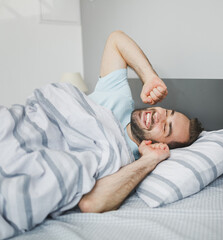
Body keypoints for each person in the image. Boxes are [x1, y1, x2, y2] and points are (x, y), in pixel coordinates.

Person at [77, 30, 203, 213]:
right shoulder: (119, 96)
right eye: (167, 111)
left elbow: (91, 204)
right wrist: (150, 77)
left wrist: (150, 159)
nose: (159, 115)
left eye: (166, 128)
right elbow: (116, 39)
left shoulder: (126, 162)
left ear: (159, 145)